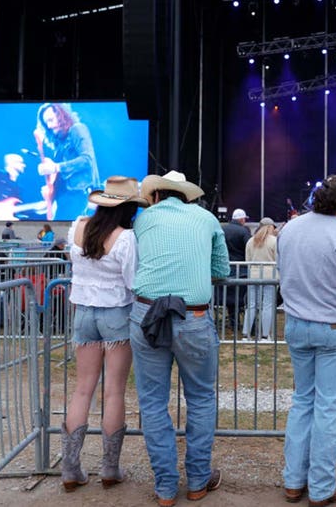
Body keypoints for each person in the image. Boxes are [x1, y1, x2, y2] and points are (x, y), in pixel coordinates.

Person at [129, 170, 229, 506]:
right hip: (194, 315)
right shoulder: (207, 219)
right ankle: (198, 481)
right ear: (188, 195)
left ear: (156, 195)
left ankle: (165, 487)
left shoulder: (144, 221)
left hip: (147, 313)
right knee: (200, 398)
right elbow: (223, 271)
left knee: (153, 401)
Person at [278, 171, 336, 506]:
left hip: (296, 324)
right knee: (328, 410)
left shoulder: (289, 229)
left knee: (303, 401)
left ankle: (293, 481)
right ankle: (321, 488)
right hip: (333, 330)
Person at [60, 176, 149, 492]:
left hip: (82, 312)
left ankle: (70, 468)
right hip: (116, 314)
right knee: (113, 391)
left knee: (82, 390)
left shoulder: (79, 228)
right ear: (127, 209)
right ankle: (110, 468)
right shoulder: (125, 238)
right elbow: (132, 281)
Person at [34, 103, 100, 221]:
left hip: (78, 194)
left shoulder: (77, 129)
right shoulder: (59, 144)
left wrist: (55, 167)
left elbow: (87, 160)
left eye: (51, 120)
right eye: (46, 123)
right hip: (64, 198)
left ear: (61, 116)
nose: (49, 126)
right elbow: (60, 171)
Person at [242, 218, 277, 340]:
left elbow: (248, 259)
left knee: (251, 305)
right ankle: (265, 335)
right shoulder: (274, 241)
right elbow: (278, 259)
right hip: (270, 276)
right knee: (267, 305)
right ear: (271, 227)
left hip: (253, 275)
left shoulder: (251, 241)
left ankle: (246, 335)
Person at [223, 208, 251, 330]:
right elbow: (249, 247)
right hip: (241, 268)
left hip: (226, 266)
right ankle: (244, 322)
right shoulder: (243, 231)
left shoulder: (223, 229)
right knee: (241, 296)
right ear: (241, 219)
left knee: (228, 295)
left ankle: (233, 321)